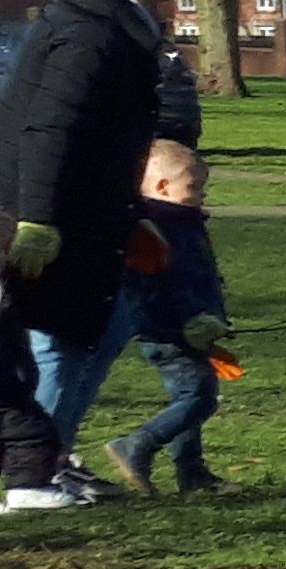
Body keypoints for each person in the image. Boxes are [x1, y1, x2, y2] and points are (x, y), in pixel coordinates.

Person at [3, 0, 178, 511]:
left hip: (88, 210)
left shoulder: (118, 25)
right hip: (43, 212)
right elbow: (47, 131)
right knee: (62, 340)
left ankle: (47, 461)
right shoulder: (88, 33)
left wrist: (129, 216)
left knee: (90, 332)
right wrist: (35, 218)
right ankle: (33, 475)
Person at [94, 141, 231, 496]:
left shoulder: (183, 221)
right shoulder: (161, 227)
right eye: (194, 186)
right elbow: (170, 280)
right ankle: (137, 444)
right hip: (170, 328)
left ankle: (191, 471)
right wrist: (192, 319)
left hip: (188, 325)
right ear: (161, 187)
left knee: (189, 395)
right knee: (200, 395)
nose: (201, 194)